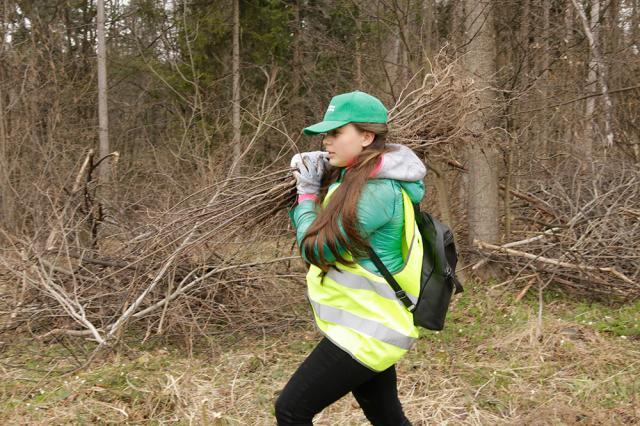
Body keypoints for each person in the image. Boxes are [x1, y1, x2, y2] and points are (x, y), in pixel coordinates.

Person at [276, 90, 427, 426]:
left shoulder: (375, 192)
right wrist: (322, 172)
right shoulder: (359, 179)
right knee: (386, 418)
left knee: (291, 411)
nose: (326, 141)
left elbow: (316, 250)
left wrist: (306, 194)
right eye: (325, 135)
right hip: (370, 324)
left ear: (366, 137)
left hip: (367, 331)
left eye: (335, 133)